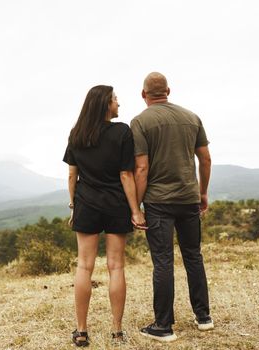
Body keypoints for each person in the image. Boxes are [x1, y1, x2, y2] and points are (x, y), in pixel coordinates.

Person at [130, 72, 214, 342]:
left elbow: (141, 168)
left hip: (158, 202)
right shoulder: (192, 117)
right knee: (193, 256)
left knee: (163, 261)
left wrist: (137, 206)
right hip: (188, 197)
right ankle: (204, 317)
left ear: (144, 94)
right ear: (168, 90)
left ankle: (163, 326)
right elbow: (206, 159)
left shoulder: (140, 122)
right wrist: (202, 192)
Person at [63, 85, 147, 347]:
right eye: (115, 99)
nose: (118, 103)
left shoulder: (76, 134)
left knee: (84, 266)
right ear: (105, 104)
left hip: (87, 204)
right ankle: (117, 331)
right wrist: (136, 210)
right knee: (116, 266)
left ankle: (82, 331)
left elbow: (71, 175)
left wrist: (73, 206)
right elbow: (126, 174)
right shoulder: (122, 132)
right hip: (115, 205)